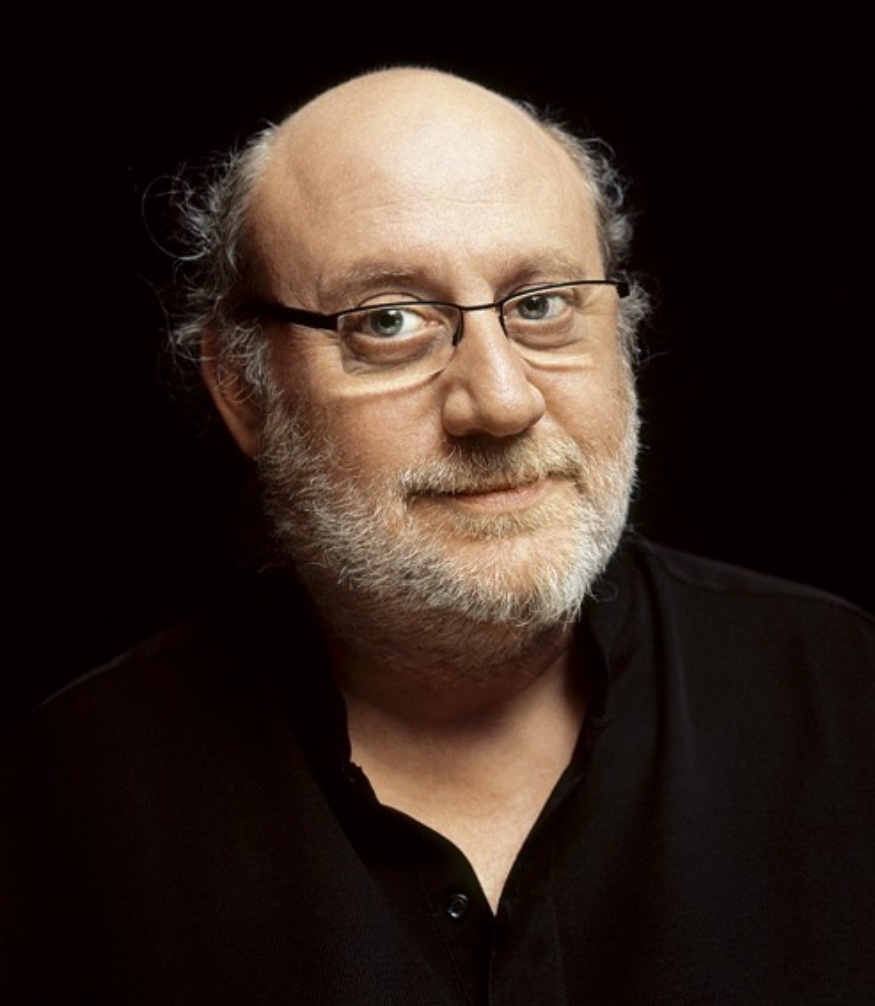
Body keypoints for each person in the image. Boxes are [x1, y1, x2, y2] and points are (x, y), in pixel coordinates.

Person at [2, 66, 873, 1004]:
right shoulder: (65, 803)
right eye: (388, 321)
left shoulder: (847, 697)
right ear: (244, 392)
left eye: (540, 304)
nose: (498, 402)